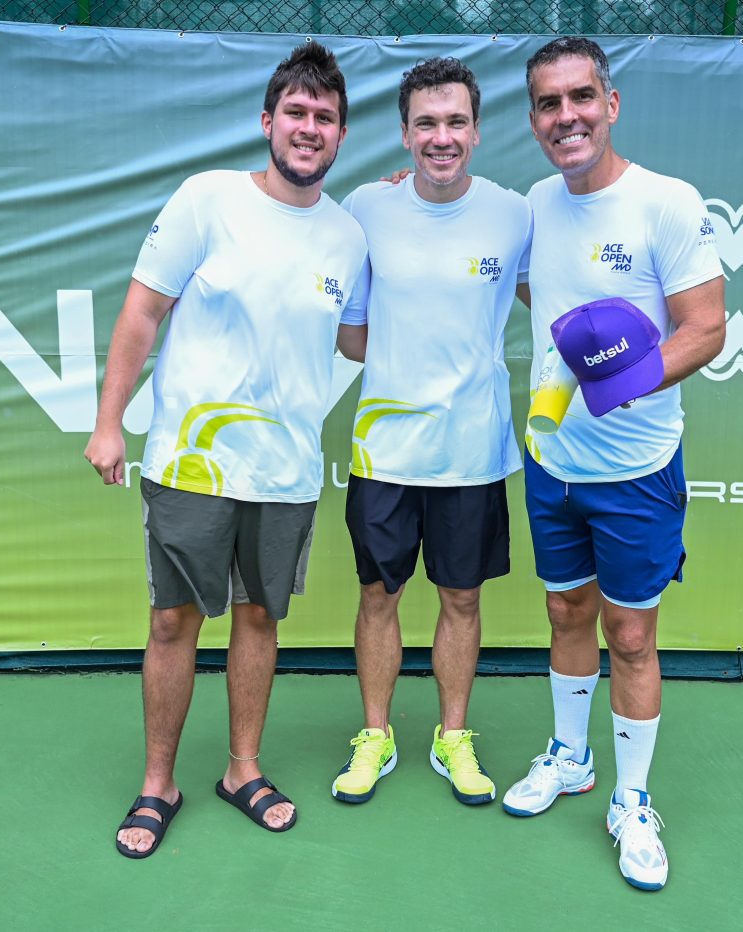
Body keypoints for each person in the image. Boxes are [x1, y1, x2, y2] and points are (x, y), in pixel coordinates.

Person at [84, 41, 369, 858]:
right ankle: (157, 784)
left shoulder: (349, 237)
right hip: (191, 462)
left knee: (258, 617)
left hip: (285, 471)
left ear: (342, 133)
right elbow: (142, 314)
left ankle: (242, 769)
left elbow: (356, 341)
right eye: (297, 113)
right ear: (268, 120)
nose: (309, 128)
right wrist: (110, 423)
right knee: (173, 621)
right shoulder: (207, 200)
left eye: (325, 117)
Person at [501, 37, 726, 892]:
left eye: (581, 98)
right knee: (565, 612)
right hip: (551, 460)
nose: (568, 118)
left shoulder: (666, 202)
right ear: (534, 121)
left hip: (637, 465)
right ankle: (569, 757)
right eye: (550, 105)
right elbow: (539, 292)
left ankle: (632, 800)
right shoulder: (535, 203)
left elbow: (705, 328)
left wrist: (620, 378)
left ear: (611, 102)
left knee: (630, 634)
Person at [328, 57, 532, 807]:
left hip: (473, 452)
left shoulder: (516, 213)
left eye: (455, 122)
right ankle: (375, 735)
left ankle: (453, 736)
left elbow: (555, 296)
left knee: (463, 601)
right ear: (405, 133)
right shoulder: (364, 209)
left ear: (476, 130)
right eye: (426, 123)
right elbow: (353, 337)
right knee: (378, 596)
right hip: (385, 449)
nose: (441, 137)